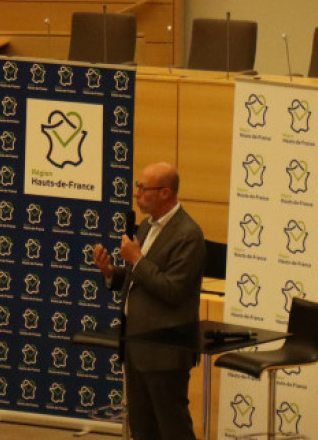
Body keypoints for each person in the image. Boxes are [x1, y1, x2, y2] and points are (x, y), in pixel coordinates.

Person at [92, 162, 206, 440]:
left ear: (166, 193)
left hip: (165, 349)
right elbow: (138, 279)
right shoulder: (146, 227)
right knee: (143, 428)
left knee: (172, 428)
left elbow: (173, 291)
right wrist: (111, 274)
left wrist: (137, 259)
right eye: (138, 187)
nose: (137, 194)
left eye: (143, 188)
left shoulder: (188, 235)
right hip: (137, 345)